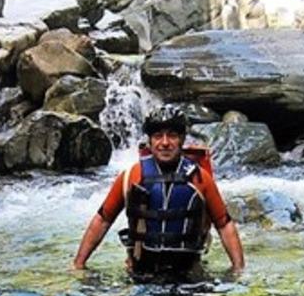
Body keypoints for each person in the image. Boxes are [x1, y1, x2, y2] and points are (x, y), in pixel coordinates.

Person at [72, 105, 245, 278]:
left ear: (182, 139)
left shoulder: (200, 179)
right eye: (157, 136)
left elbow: (224, 224)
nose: (164, 143)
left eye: (172, 135)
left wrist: (238, 270)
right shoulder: (130, 177)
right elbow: (102, 219)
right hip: (141, 274)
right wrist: (79, 264)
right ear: (150, 141)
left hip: (188, 276)